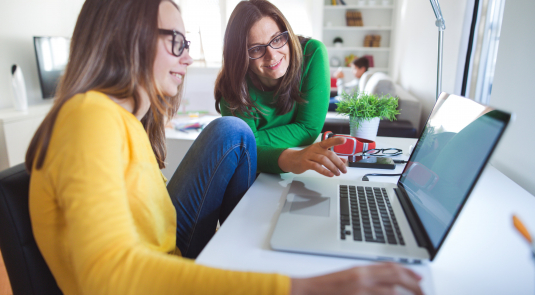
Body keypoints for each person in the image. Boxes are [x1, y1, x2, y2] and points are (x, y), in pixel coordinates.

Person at [25, 0, 423, 294]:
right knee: (232, 131)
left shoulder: (121, 120)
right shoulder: (88, 116)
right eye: (176, 41)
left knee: (235, 139)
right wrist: (297, 288)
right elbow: (110, 277)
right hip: (159, 265)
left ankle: (254, 249)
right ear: (128, 38)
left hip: (167, 251)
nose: (188, 56)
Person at [215, 0, 349, 177]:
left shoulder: (312, 53)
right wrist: (290, 157)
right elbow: (243, 152)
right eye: (256, 49)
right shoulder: (233, 83)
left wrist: (253, 142)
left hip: (301, 167)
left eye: (277, 39)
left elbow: (308, 129)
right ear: (241, 56)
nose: (272, 55)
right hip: (253, 174)